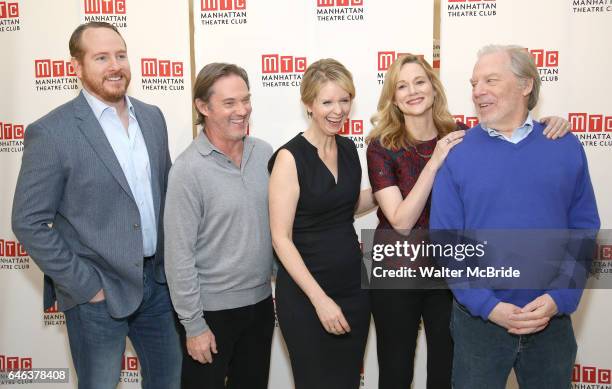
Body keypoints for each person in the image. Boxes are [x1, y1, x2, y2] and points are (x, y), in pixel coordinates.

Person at [366, 53, 573, 389]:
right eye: (401, 86)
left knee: (445, 371)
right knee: (395, 369)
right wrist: (434, 162)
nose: (412, 91)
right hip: (396, 268)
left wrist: (547, 124)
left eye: (420, 82)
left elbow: (512, 132)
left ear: (434, 88)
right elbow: (402, 222)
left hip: (449, 270)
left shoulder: (461, 133)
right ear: (392, 96)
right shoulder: (381, 144)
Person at [11, 22, 181, 388]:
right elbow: (28, 221)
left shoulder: (152, 118)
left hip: (157, 286)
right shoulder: (52, 132)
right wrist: (85, 285)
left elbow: (165, 196)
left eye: (120, 55)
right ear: (76, 67)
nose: (114, 65)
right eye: (101, 57)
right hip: (97, 295)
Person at [430, 45, 600, 388]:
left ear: (525, 85)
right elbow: (446, 241)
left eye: (490, 79)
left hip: (550, 324)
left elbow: (583, 231)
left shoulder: (565, 145)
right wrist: (487, 306)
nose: (478, 90)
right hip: (479, 326)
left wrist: (558, 299)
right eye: (474, 82)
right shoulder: (457, 152)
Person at [164, 63, 275, 389]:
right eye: (229, 103)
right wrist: (193, 325)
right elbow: (178, 255)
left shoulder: (264, 153)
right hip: (210, 315)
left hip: (260, 306)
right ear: (202, 107)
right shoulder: (188, 170)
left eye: (246, 100)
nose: (242, 110)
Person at [268, 58, 375, 389]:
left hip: (354, 289)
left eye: (344, 100)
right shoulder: (289, 157)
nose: (338, 110)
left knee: (346, 383)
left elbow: (345, 206)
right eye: (327, 101)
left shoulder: (346, 147)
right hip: (306, 297)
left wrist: (398, 185)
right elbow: (280, 238)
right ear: (309, 105)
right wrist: (320, 300)